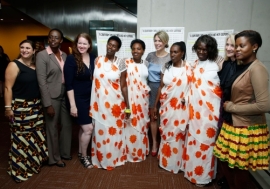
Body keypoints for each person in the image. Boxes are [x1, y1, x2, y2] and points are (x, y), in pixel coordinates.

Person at [214, 30, 270, 189]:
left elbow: (264, 105)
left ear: (254, 46)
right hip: (230, 123)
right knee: (224, 160)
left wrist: (232, 107)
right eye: (235, 45)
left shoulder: (257, 69)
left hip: (245, 127)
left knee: (239, 169)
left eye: (241, 46)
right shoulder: (238, 65)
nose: (237, 49)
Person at [4, 40, 48, 182]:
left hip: (36, 107)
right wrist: (7, 108)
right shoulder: (13, 65)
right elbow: (7, 88)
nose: (24, 50)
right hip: (20, 108)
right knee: (21, 140)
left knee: (35, 138)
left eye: (28, 48)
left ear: (33, 51)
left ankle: (31, 166)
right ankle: (18, 170)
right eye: (22, 47)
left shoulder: (36, 66)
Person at [182, 35, 222, 186]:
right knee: (193, 141)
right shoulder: (195, 64)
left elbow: (221, 89)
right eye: (198, 48)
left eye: (205, 49)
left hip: (210, 114)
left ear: (210, 50)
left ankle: (203, 177)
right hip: (195, 112)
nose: (201, 52)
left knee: (206, 143)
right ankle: (191, 172)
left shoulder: (217, 65)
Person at [90, 36, 129, 170]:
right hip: (99, 104)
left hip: (115, 104)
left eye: (114, 46)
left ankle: (114, 158)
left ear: (117, 49)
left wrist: (128, 106)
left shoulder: (121, 63)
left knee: (114, 132)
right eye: (109, 44)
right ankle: (101, 158)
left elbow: (123, 86)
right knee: (101, 131)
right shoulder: (97, 60)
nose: (110, 47)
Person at [36, 28, 72, 167]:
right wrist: (47, 104)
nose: (53, 40)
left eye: (56, 38)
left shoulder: (64, 55)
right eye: (51, 37)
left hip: (65, 94)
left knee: (67, 125)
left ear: (61, 40)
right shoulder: (42, 55)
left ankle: (64, 152)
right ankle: (54, 158)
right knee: (52, 127)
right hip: (51, 95)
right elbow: (42, 81)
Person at [153, 42, 189, 173]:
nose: (172, 54)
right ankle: (165, 160)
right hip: (166, 107)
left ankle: (177, 163)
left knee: (178, 134)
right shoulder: (166, 67)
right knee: (166, 132)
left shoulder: (189, 68)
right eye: (172, 52)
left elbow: (193, 87)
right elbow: (161, 87)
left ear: (182, 53)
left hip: (181, 108)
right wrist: (156, 106)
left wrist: (188, 98)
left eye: (175, 52)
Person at [64, 33, 96, 168]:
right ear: (76, 44)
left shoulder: (93, 58)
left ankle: (80, 152)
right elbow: (68, 84)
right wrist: (72, 106)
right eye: (79, 43)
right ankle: (84, 156)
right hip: (77, 98)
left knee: (84, 129)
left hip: (91, 98)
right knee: (88, 128)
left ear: (89, 45)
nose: (82, 46)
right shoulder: (71, 59)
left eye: (84, 43)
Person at [216, 34, 237, 188]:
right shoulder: (225, 64)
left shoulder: (244, 66)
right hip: (221, 106)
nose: (229, 48)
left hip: (234, 110)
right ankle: (224, 176)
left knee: (233, 146)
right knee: (221, 143)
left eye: (233, 45)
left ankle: (232, 181)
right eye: (227, 44)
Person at [124, 39, 150, 162]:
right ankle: (130, 153)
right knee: (130, 125)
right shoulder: (125, 63)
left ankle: (141, 151)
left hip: (143, 100)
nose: (136, 51)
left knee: (142, 125)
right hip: (130, 99)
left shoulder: (147, 63)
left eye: (138, 49)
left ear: (143, 51)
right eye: (133, 48)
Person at [146, 31, 171, 156]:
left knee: (165, 116)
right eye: (155, 40)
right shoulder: (150, 56)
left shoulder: (170, 57)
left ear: (165, 42)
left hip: (165, 89)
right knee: (153, 116)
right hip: (151, 88)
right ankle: (155, 143)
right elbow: (143, 71)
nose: (157, 43)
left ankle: (164, 143)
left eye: (160, 40)